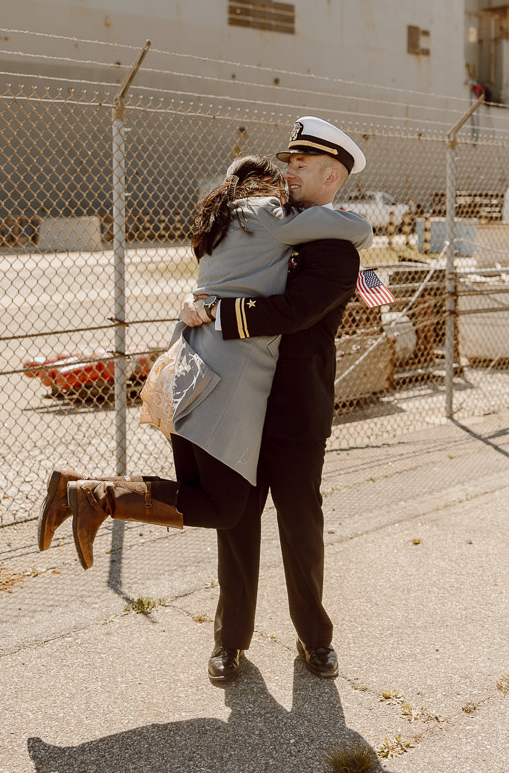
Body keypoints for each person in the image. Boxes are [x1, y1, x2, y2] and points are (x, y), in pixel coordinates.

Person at [37, 147, 372, 577]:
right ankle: (95, 495)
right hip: (223, 377)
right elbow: (355, 227)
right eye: (283, 176)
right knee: (223, 507)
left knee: (200, 494)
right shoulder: (266, 213)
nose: (288, 182)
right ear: (264, 187)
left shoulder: (219, 220)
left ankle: (82, 491)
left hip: (186, 365)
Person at [180, 116, 367, 684]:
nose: (289, 171)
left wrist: (214, 312)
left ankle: (315, 637)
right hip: (239, 401)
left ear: (331, 176)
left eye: (302, 165)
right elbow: (221, 272)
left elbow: (290, 313)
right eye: (289, 161)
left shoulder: (335, 246)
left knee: (301, 525)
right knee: (236, 525)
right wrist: (196, 298)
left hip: (293, 409)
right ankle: (229, 641)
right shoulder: (268, 222)